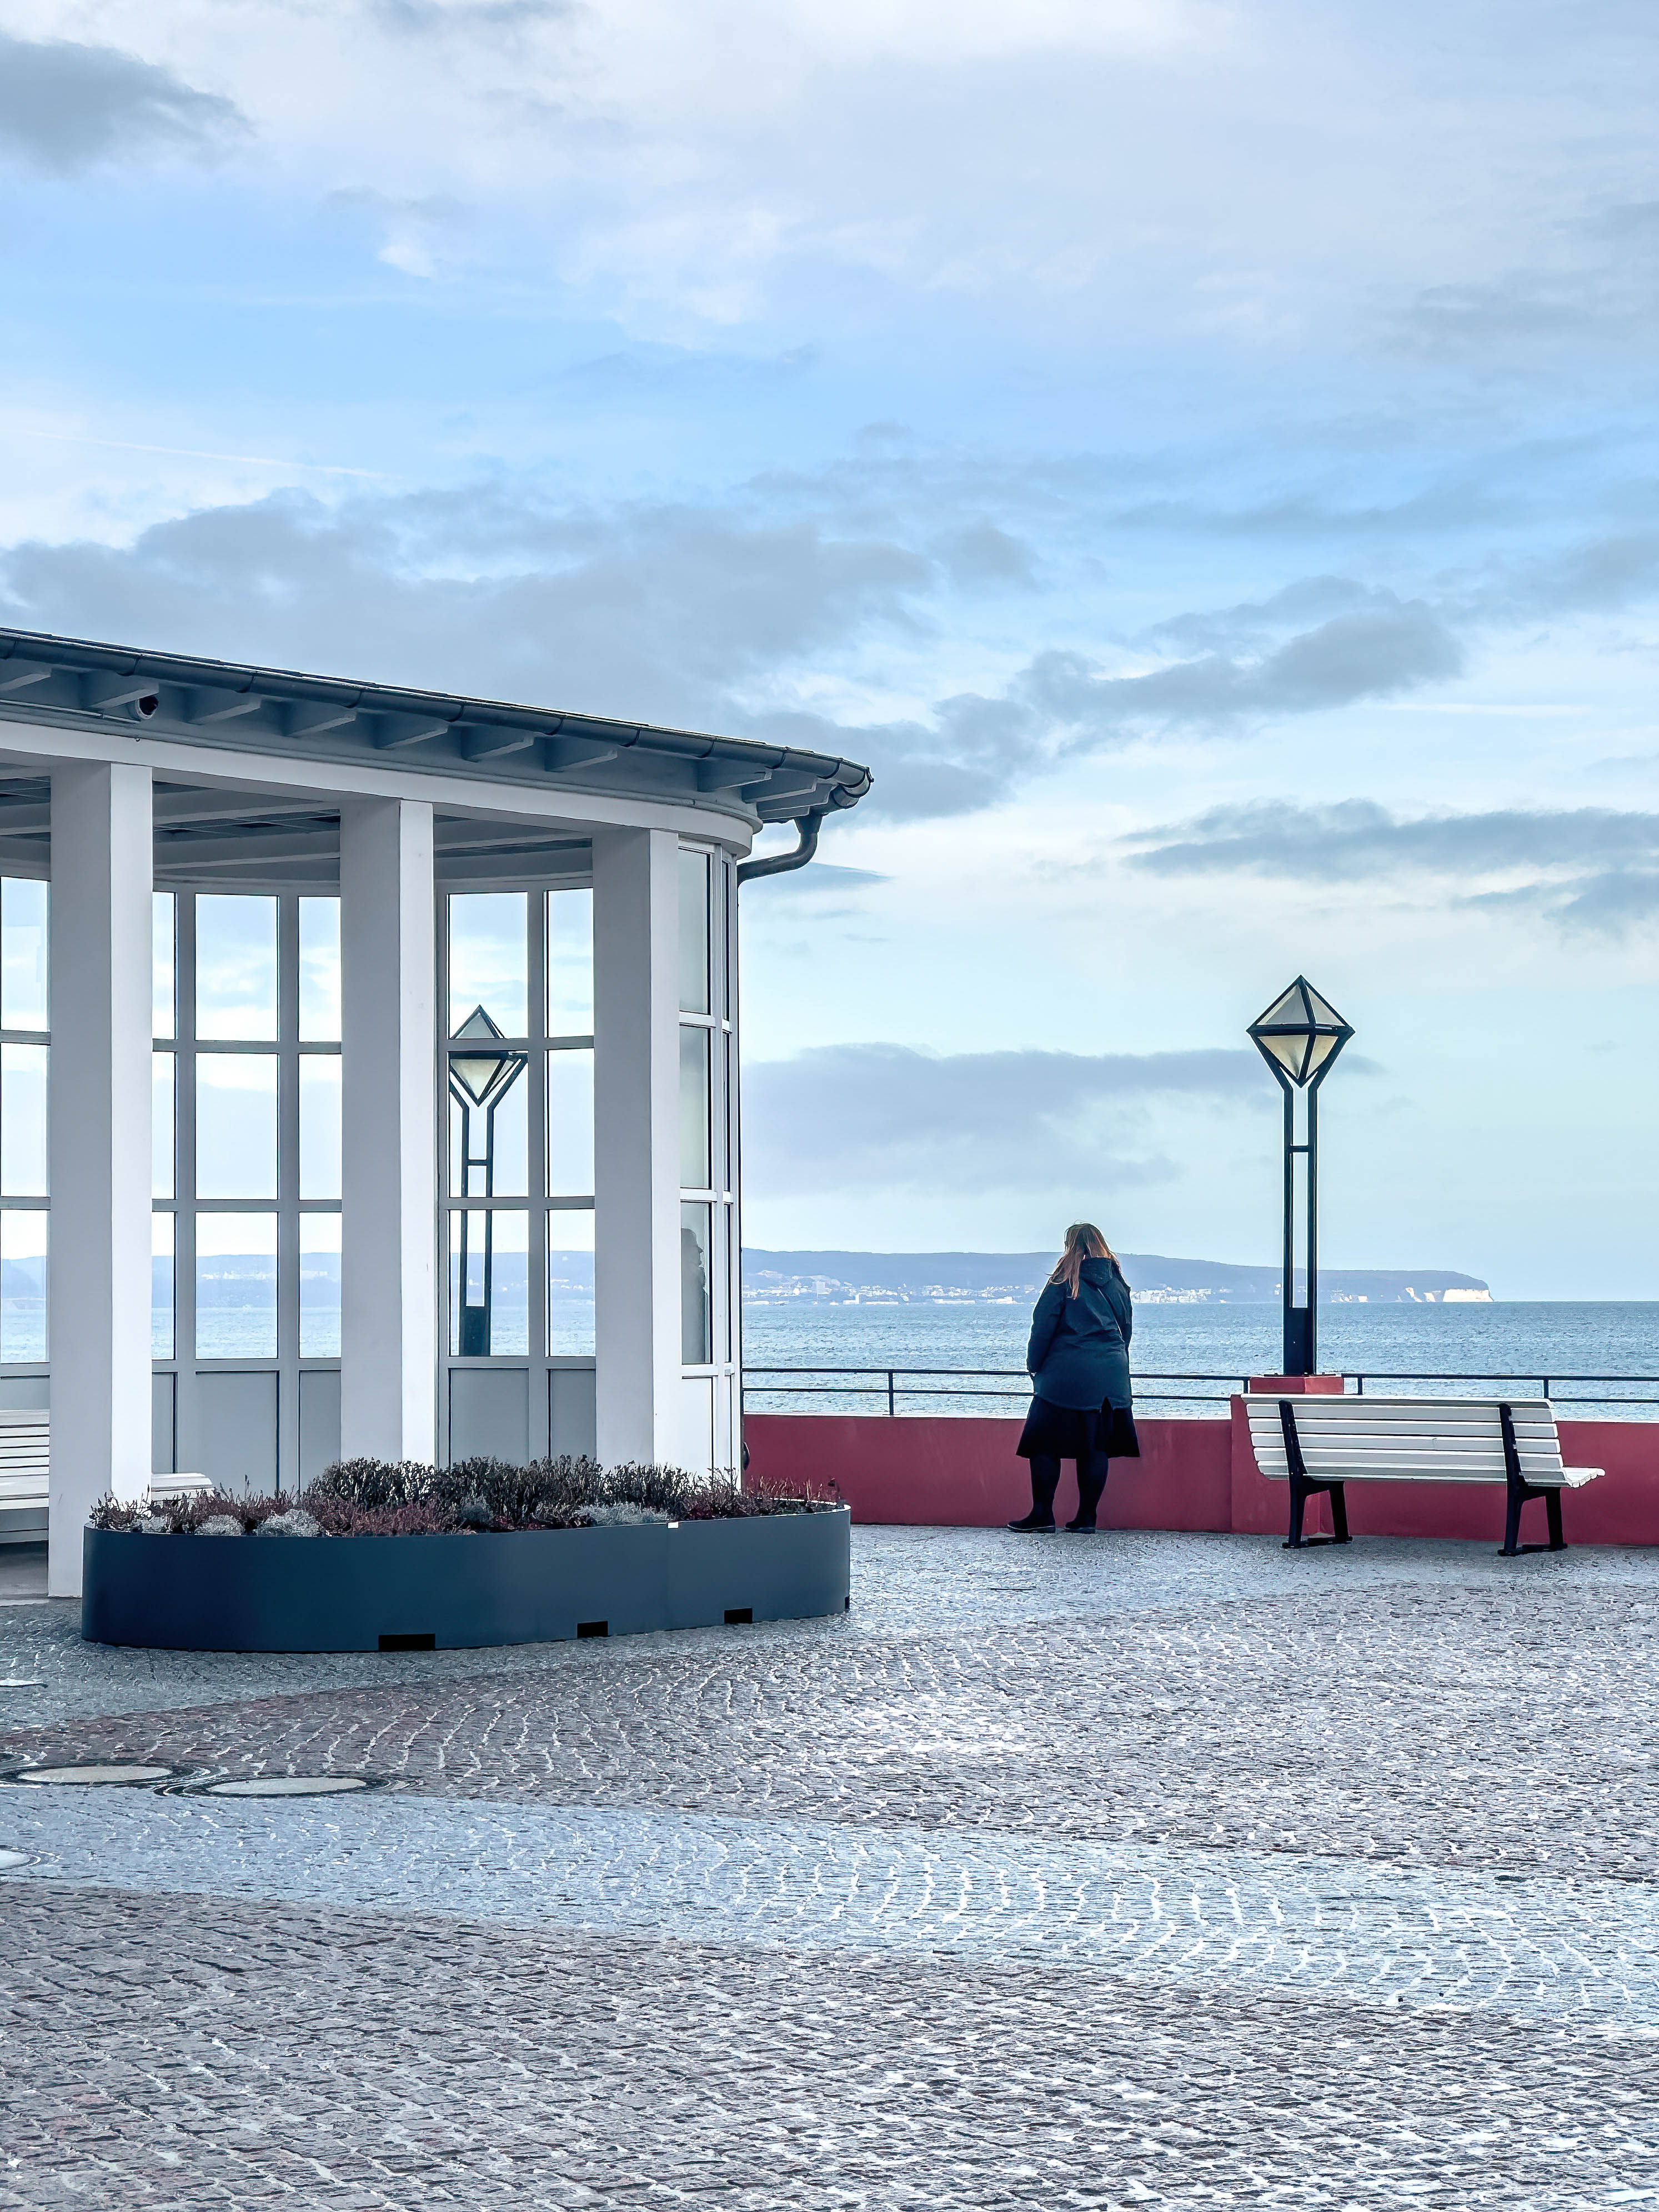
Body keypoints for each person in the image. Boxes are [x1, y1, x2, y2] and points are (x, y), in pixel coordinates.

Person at [1008, 1223, 1139, 1533]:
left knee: (1043, 1445)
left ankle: (1042, 1516)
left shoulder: (1063, 1280)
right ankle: (1087, 1519)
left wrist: (1034, 1365)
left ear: (1070, 1246)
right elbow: (1126, 1331)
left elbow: (1042, 1327)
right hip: (1110, 1377)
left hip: (1064, 1377)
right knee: (1095, 1448)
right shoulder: (1118, 1283)